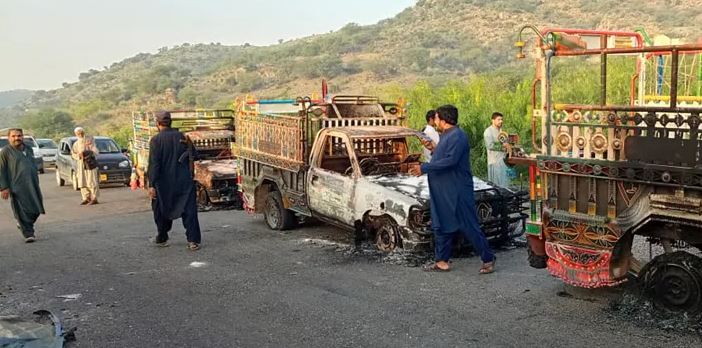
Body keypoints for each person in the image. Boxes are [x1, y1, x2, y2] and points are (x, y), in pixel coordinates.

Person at [411, 105, 496, 274]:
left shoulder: (458, 136)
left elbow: (450, 161)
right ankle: (441, 261)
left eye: (436, 118)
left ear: (443, 120)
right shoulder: (446, 136)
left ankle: (488, 257)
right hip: (443, 190)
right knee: (441, 224)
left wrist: (425, 168)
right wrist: (433, 149)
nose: (435, 121)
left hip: (456, 190)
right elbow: (444, 156)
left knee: (468, 224)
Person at [148, 111, 202, 251]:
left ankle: (162, 237)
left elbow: (154, 164)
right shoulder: (183, 137)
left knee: (160, 209)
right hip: (184, 180)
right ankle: (193, 241)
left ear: (157, 123)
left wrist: (151, 185)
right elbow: (195, 155)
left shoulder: (156, 140)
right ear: (170, 122)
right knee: (189, 210)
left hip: (163, 183)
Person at [0, 128, 45, 243]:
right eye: (14, 136)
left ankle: (22, 222)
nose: (17, 138)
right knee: (21, 209)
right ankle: (28, 233)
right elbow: (1, 170)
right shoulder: (5, 151)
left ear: (22, 137)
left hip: (32, 183)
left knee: (36, 208)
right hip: (16, 186)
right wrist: (4, 187)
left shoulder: (29, 148)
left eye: (19, 136)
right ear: (9, 138)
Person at [71, 127, 100, 205]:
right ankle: (86, 198)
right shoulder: (76, 144)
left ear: (83, 132)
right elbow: (73, 154)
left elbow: (96, 151)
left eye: (81, 132)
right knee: (82, 181)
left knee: (92, 181)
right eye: (78, 133)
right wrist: (79, 155)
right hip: (81, 164)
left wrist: (90, 147)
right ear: (76, 134)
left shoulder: (90, 140)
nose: (80, 134)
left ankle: (94, 198)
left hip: (90, 164)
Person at [483, 112, 510, 187]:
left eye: (501, 119)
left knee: (504, 184)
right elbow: (490, 146)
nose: (501, 121)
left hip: (503, 161)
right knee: (495, 185)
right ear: (493, 120)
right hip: (494, 162)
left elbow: (506, 143)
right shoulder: (488, 131)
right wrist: (503, 147)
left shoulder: (501, 131)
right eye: (498, 119)